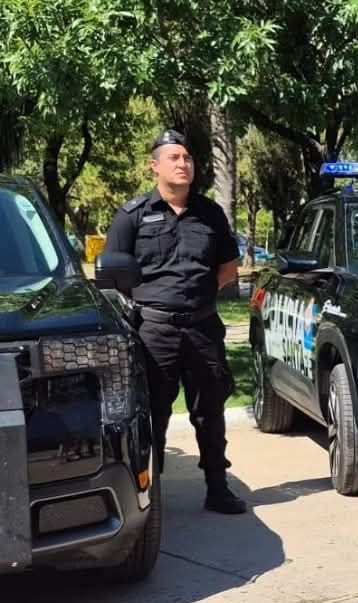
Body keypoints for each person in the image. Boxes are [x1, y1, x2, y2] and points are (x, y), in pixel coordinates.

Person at [105, 130, 245, 514]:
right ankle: (153, 497)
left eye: (187, 158)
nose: (183, 164)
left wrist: (197, 299)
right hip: (154, 331)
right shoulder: (132, 215)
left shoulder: (210, 214)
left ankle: (218, 489)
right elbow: (111, 275)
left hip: (202, 327)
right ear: (155, 166)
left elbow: (229, 267)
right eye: (174, 158)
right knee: (153, 416)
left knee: (210, 411)